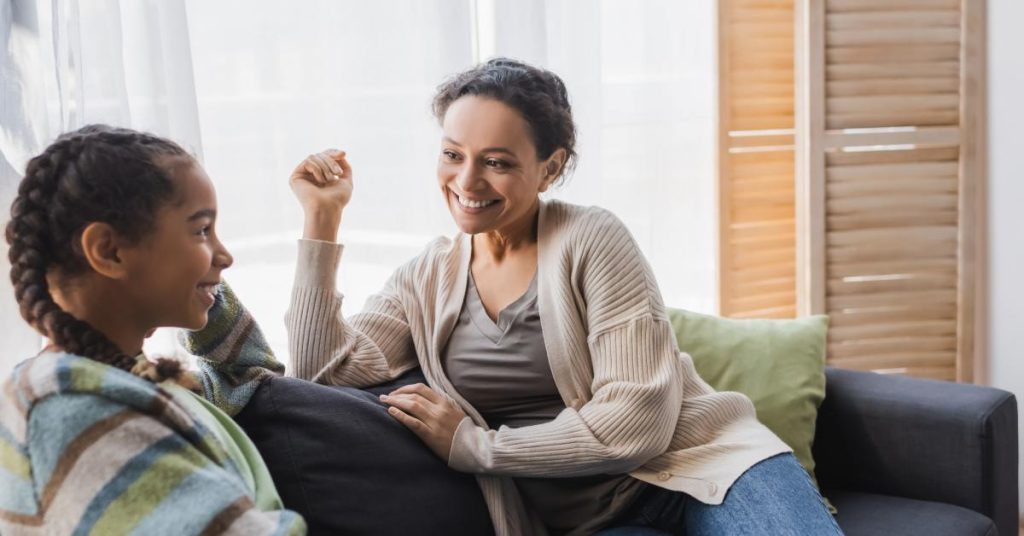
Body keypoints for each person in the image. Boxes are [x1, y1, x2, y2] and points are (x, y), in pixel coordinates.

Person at [209, 58, 843, 535]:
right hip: (584, 519)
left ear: (551, 166)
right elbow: (324, 376)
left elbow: (638, 422)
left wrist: (477, 448)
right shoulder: (428, 275)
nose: (466, 181)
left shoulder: (591, 236)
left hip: (703, 466)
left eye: (498, 162)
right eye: (453, 155)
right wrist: (322, 222)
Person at [0, 125, 306, 535]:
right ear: (109, 251)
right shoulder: (71, 406)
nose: (226, 256)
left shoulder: (132, 377)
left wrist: (202, 285)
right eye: (201, 230)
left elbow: (250, 380)